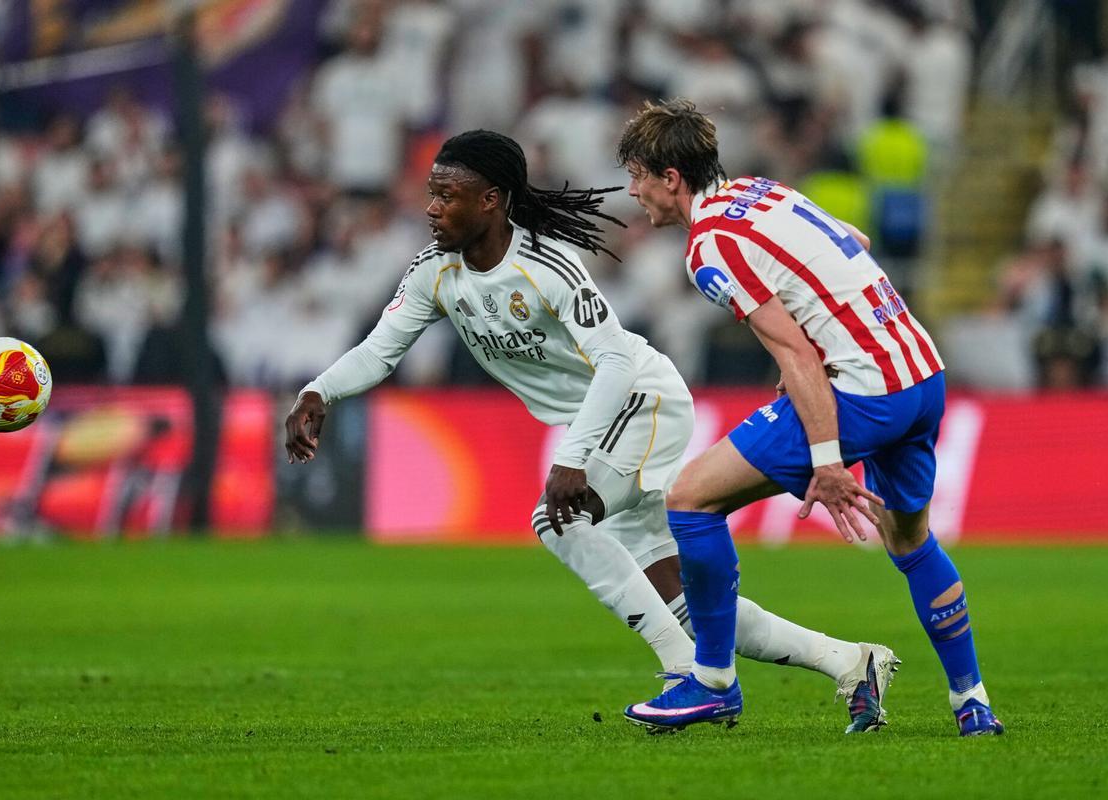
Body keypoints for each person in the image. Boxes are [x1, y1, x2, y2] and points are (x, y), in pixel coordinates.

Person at [285, 130, 899, 733]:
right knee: (684, 602)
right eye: (431, 193)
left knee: (558, 520)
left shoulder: (546, 265)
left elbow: (614, 360)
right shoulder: (434, 273)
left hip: (640, 400)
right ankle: (850, 661)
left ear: (491, 200)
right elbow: (381, 349)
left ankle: (688, 674)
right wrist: (319, 391)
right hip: (602, 423)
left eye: (448, 194)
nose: (432, 207)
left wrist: (573, 457)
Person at [615, 99, 1002, 737]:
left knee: (689, 501)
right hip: (920, 371)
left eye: (638, 177)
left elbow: (795, 351)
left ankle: (711, 681)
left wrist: (827, 460)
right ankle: (972, 702)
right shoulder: (761, 193)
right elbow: (858, 244)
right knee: (910, 541)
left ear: (670, 178)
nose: (635, 193)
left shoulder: (710, 246)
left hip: (864, 392)